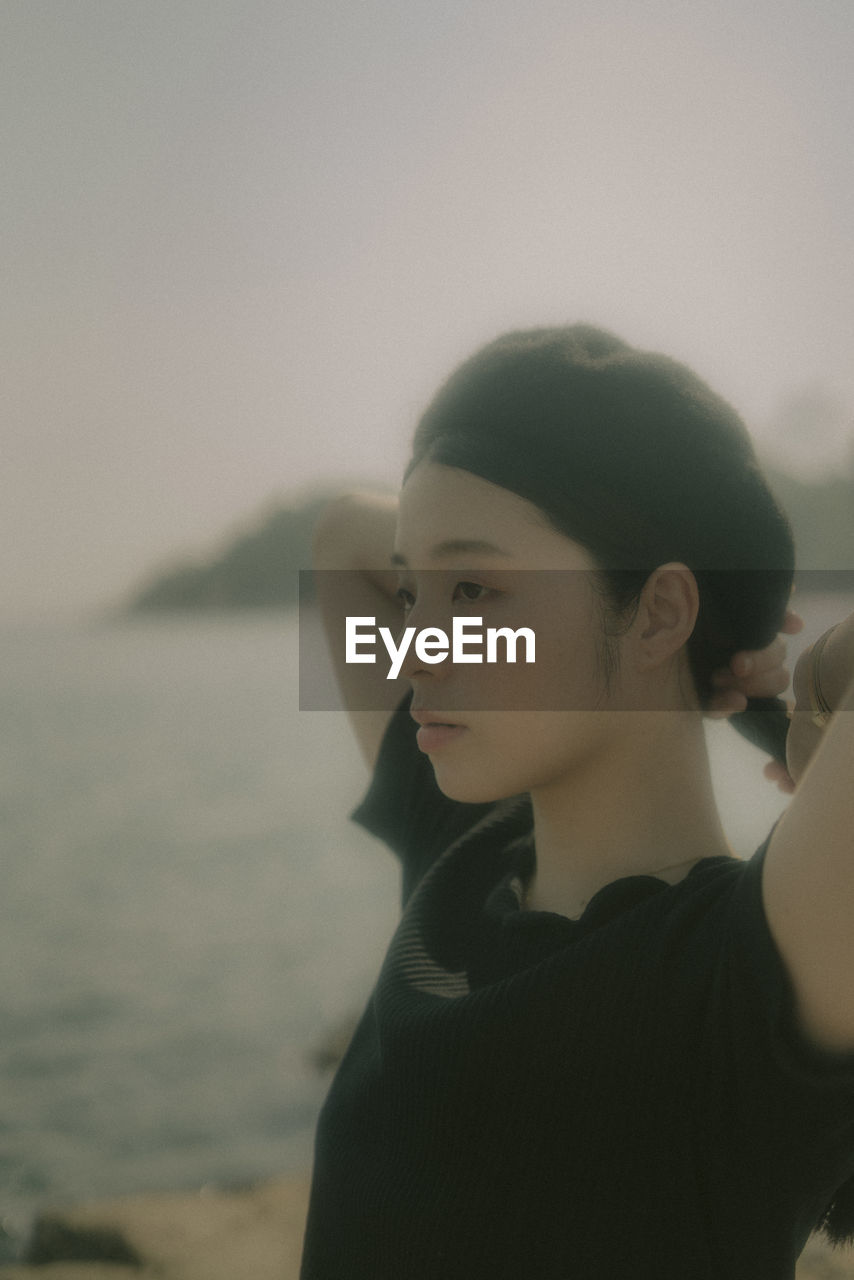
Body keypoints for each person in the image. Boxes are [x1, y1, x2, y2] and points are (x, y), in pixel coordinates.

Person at [301, 325, 854, 1279]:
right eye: (410, 591)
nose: (420, 644)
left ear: (661, 611)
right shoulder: (463, 853)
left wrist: (805, 691)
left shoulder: (746, 971)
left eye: (474, 589)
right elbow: (339, 533)